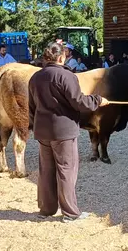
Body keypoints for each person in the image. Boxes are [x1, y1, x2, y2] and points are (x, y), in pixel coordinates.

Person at [30, 42, 110, 223]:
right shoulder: (66, 76)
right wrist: (98, 100)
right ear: (60, 57)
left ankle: (46, 209)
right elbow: (78, 102)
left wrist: (36, 125)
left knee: (46, 171)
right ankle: (70, 212)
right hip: (63, 131)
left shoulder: (35, 77)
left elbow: (31, 106)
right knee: (66, 170)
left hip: (43, 131)